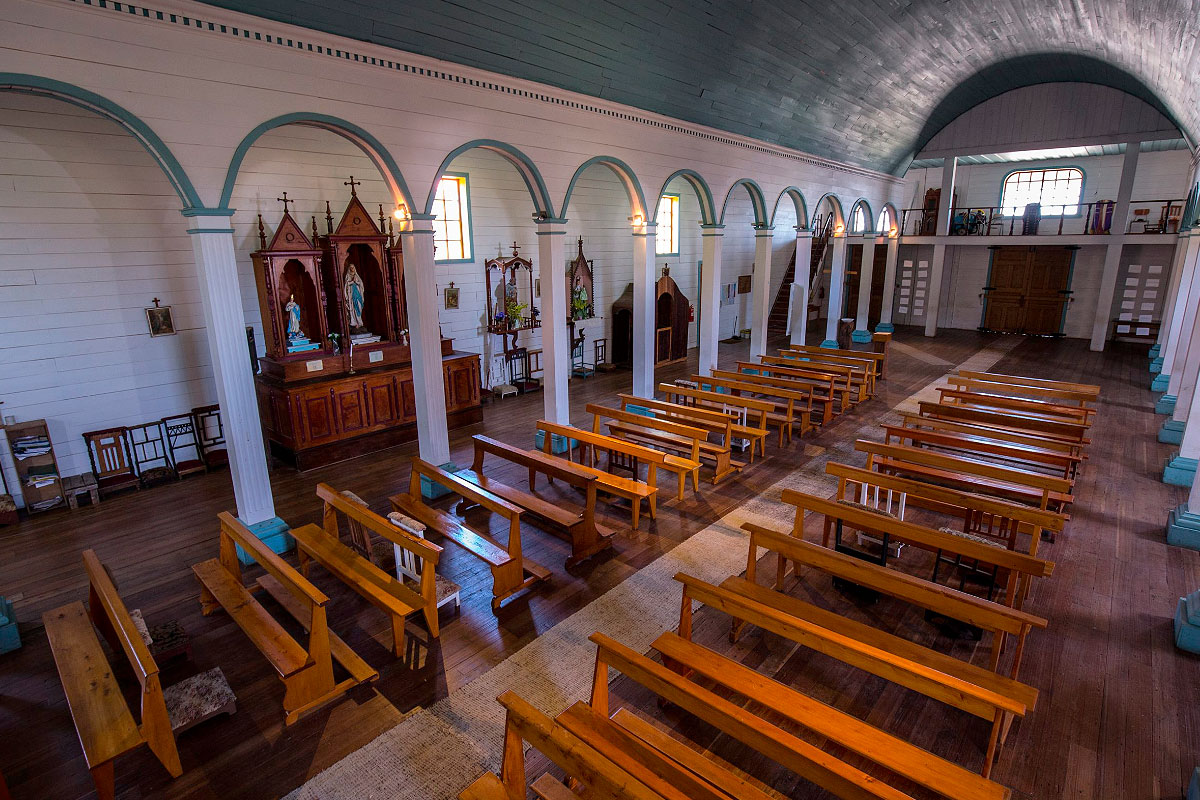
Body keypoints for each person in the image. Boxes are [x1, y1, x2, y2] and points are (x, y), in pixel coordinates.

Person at [344, 263, 366, 330]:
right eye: (350, 267)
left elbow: (361, 285)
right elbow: (346, 285)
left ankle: (360, 322)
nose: (352, 269)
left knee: (359, 307)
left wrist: (356, 282)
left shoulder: (357, 276)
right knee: (353, 308)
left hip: (358, 294)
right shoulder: (348, 276)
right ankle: (354, 323)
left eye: (353, 267)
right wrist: (351, 282)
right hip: (352, 295)